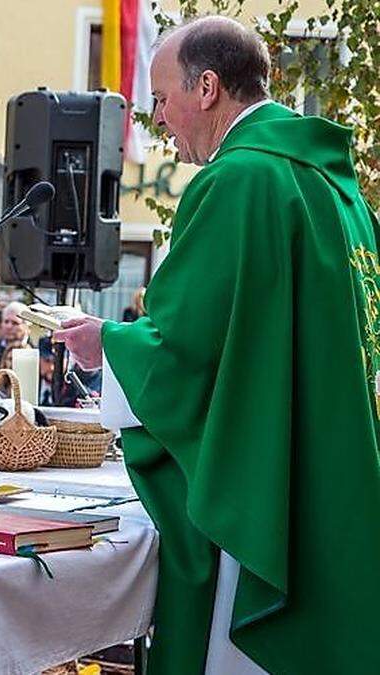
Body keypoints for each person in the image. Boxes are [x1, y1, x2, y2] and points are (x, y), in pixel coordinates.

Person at [52, 16, 380, 674]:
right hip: (336, 479)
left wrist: (107, 343)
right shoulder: (340, 192)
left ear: (206, 87)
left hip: (265, 486)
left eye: (160, 99)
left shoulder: (238, 181)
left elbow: (184, 352)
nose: (158, 120)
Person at [0, 302, 29, 378]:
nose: (9, 326)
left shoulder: (33, 350)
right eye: (6, 322)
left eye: (15, 323)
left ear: (26, 326)